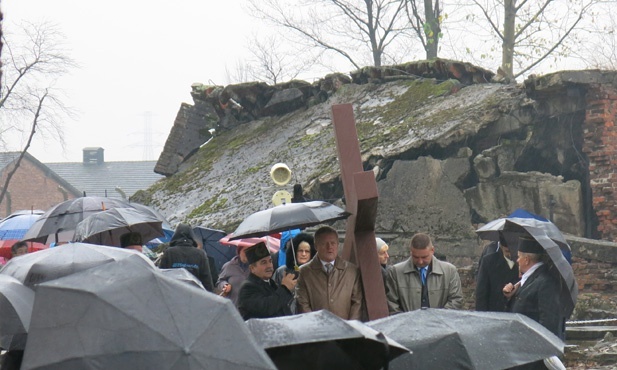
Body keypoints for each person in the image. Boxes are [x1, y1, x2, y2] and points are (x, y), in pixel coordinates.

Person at [503, 237, 565, 370]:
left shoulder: (545, 282)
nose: (517, 260)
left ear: (527, 259)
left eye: (519, 257)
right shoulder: (530, 280)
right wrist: (511, 296)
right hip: (522, 351)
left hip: (533, 357)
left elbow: (549, 321)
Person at [296, 225, 363, 320]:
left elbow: (357, 303)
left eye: (333, 243)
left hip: (346, 330)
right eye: (324, 243)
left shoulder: (351, 271)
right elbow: (302, 304)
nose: (329, 247)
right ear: (316, 246)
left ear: (338, 244)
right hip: (317, 330)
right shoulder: (305, 272)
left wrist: (351, 328)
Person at [385, 232, 463, 313]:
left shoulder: (450, 271)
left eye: (424, 257)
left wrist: (439, 319)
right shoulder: (395, 272)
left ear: (432, 250)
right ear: (410, 252)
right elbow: (391, 303)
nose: (420, 261)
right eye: (415, 257)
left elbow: (456, 300)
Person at [237, 242, 297, 320]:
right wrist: (285, 288)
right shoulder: (247, 288)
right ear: (252, 268)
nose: (269, 266)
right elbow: (267, 308)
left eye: (270, 261)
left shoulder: (271, 283)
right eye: (264, 262)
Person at [159, 223, 214, 292]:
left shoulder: (169, 252)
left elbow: (161, 276)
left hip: (173, 293)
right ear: (192, 236)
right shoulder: (200, 254)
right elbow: (207, 280)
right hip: (195, 295)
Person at [475, 233, 519, 312]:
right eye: (507, 251)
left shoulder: (523, 264)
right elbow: (481, 293)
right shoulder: (489, 261)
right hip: (495, 311)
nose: (510, 254)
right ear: (501, 247)